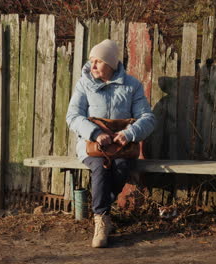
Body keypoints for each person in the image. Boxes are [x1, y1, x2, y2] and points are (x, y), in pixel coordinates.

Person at [66, 39, 155, 248]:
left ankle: (102, 208)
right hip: (92, 145)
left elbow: (148, 118)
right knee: (100, 167)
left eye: (98, 61)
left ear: (111, 64)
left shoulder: (132, 86)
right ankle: (101, 220)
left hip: (122, 147)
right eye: (91, 61)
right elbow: (72, 116)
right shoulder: (84, 84)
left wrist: (130, 133)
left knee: (121, 166)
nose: (93, 65)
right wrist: (95, 132)